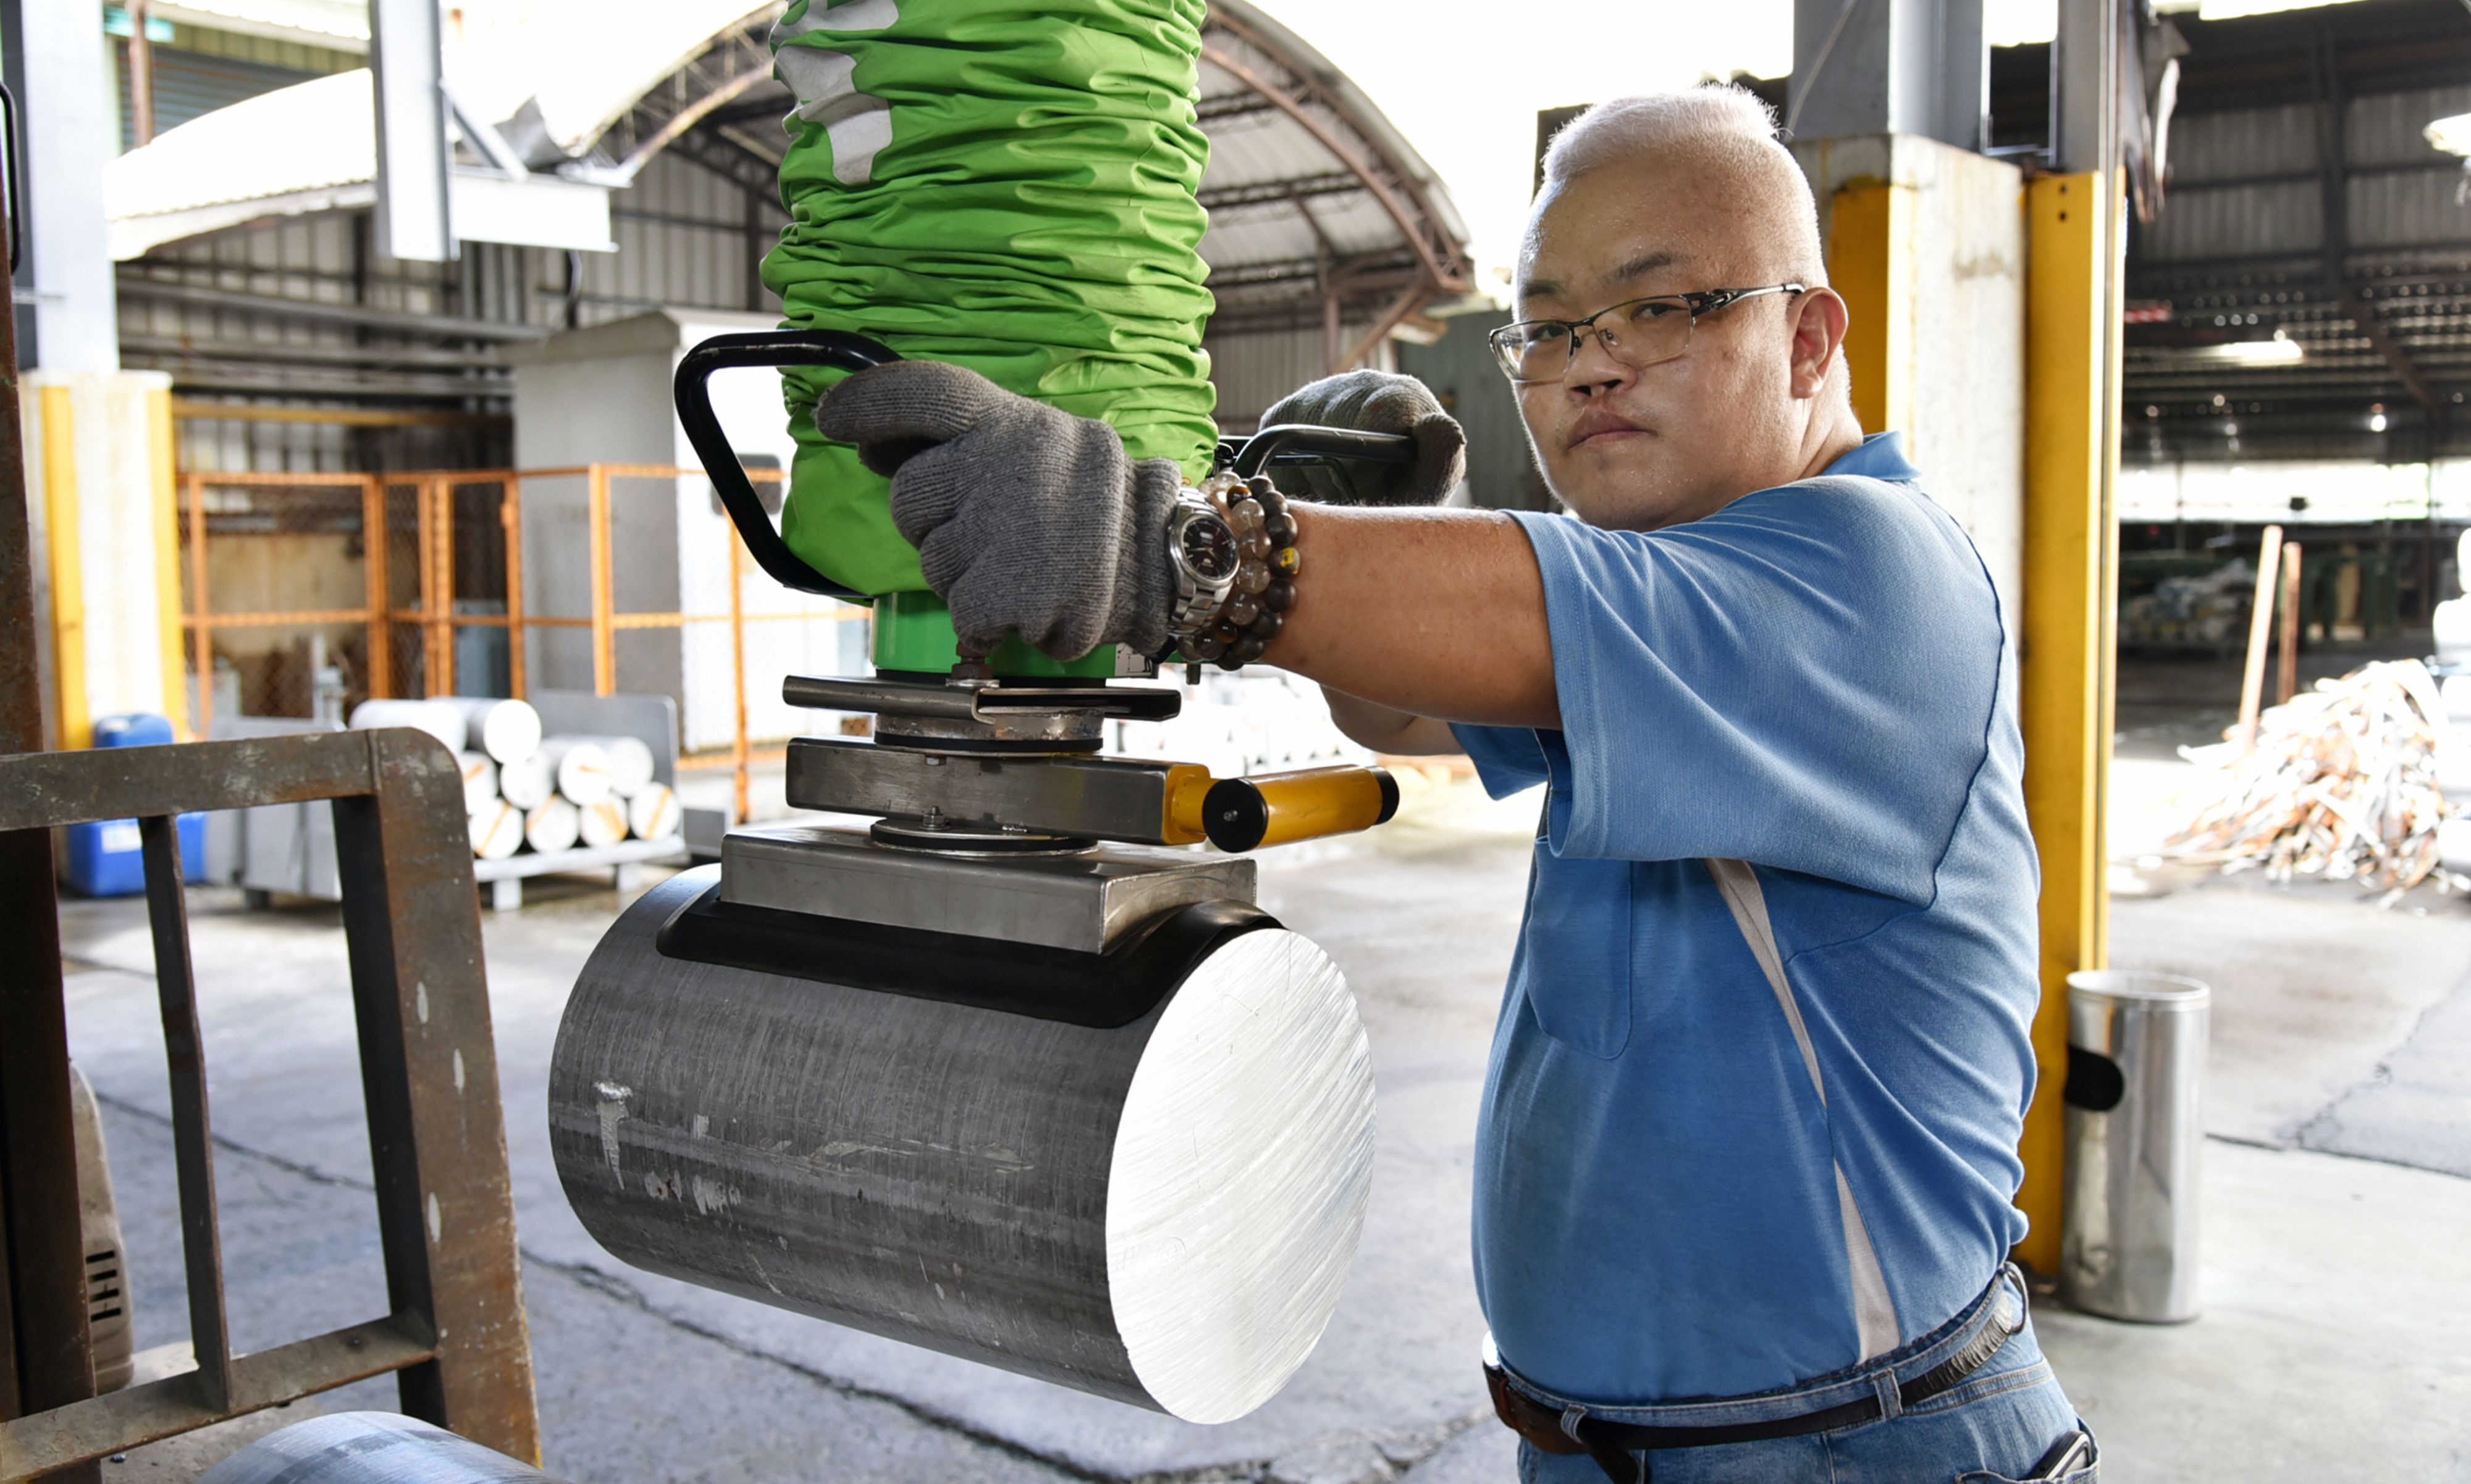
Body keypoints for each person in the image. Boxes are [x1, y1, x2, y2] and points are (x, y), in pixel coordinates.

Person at [814, 85, 2096, 1483]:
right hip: (1623, 1450)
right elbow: (1412, 699)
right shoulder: (1672, 614)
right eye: (1547, 327)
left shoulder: (1869, 573)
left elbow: (1512, 614)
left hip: (1859, 1452)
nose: (1590, 366)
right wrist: (1373, 546)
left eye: (1658, 307)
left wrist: (1181, 543)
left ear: (1803, 336)